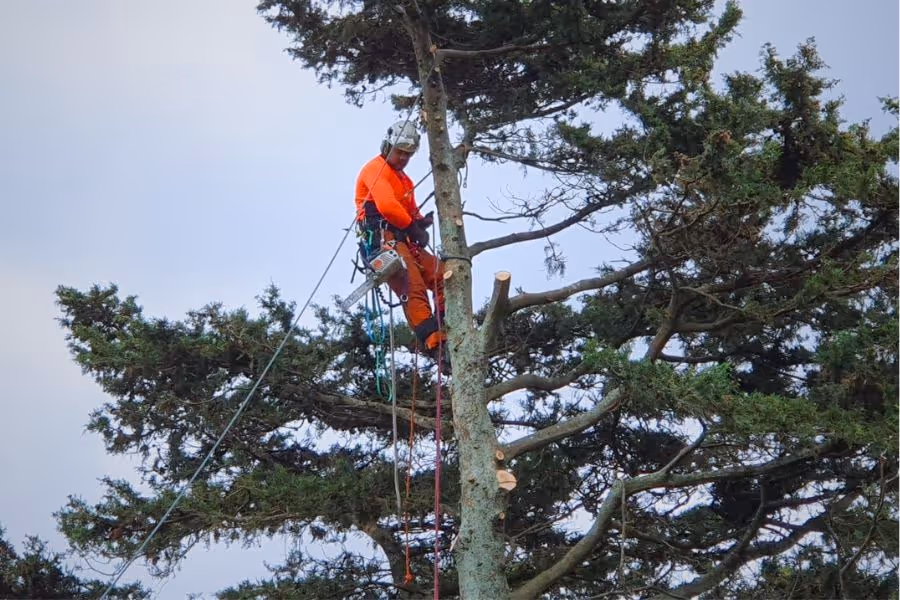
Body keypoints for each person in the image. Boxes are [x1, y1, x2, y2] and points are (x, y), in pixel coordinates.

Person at [355, 120, 449, 372]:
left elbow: (408, 210)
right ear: (388, 147)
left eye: (408, 154)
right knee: (413, 286)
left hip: (404, 240)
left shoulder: (403, 180)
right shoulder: (375, 170)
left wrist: (420, 222)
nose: (404, 158)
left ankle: (448, 321)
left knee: (444, 273)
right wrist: (411, 226)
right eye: (400, 152)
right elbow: (386, 206)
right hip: (385, 240)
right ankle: (435, 344)